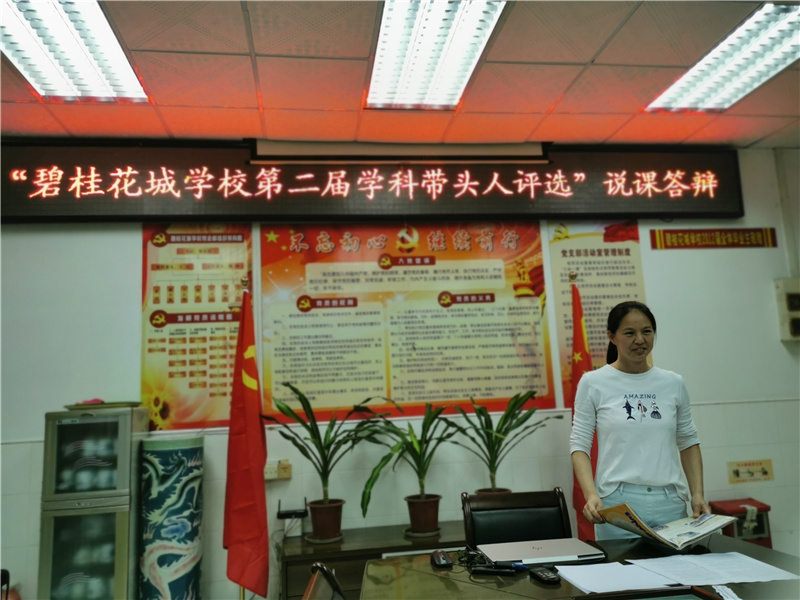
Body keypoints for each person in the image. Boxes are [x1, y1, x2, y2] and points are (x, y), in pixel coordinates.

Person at [570, 300, 710, 539]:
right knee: (621, 564)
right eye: (629, 333)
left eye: (647, 331)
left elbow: (688, 441)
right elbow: (579, 445)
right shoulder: (593, 382)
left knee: (676, 564)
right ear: (612, 337)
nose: (640, 340)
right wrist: (591, 495)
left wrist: (697, 494)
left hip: (670, 503)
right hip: (617, 505)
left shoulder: (673, 382)